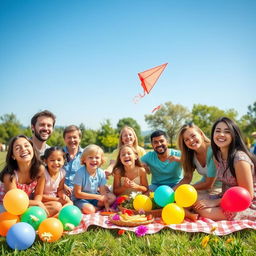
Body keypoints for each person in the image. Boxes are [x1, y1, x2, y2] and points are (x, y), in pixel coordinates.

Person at [194, 117, 256, 221]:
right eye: (217, 131)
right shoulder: (217, 156)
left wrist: (215, 202)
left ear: (234, 136)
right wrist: (218, 200)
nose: (221, 134)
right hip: (225, 197)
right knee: (195, 199)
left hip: (243, 202)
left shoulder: (240, 159)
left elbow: (248, 195)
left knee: (204, 211)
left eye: (227, 132)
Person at [0, 135, 48, 214]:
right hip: (7, 206)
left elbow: (38, 194)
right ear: (13, 156)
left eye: (26, 145)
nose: (23, 149)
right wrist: (36, 203)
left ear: (32, 148)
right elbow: (15, 201)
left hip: (27, 204)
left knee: (56, 206)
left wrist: (36, 209)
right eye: (18, 148)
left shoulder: (40, 169)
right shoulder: (9, 175)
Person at [176, 123, 221, 196]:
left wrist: (186, 189)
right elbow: (187, 178)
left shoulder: (213, 151)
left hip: (220, 187)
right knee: (179, 198)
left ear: (201, 134)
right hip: (203, 186)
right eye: (186, 140)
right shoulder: (190, 155)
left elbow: (209, 184)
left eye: (193, 136)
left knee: (193, 204)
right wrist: (172, 191)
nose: (191, 140)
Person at [72, 144, 116, 214]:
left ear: (101, 160)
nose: (94, 160)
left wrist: (107, 207)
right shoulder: (80, 173)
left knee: (112, 197)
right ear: (84, 160)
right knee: (90, 209)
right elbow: (77, 194)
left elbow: (103, 192)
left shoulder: (101, 173)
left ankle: (95, 208)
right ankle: (95, 209)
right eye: (90, 157)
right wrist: (97, 196)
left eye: (97, 157)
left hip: (94, 198)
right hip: (80, 199)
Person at [42, 147, 73, 217]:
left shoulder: (62, 173)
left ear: (64, 160)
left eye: (59, 160)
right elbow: (39, 196)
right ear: (46, 161)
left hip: (55, 200)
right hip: (43, 202)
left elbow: (60, 190)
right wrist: (58, 200)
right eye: (52, 160)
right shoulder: (43, 173)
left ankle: (56, 217)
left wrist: (63, 196)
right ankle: (55, 217)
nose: (56, 163)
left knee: (70, 202)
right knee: (57, 206)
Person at [63, 125, 83, 196]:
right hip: (60, 191)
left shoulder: (86, 155)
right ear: (64, 139)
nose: (72, 140)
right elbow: (52, 174)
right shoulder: (58, 154)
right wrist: (63, 186)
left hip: (79, 192)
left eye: (75, 137)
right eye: (69, 137)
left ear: (79, 139)